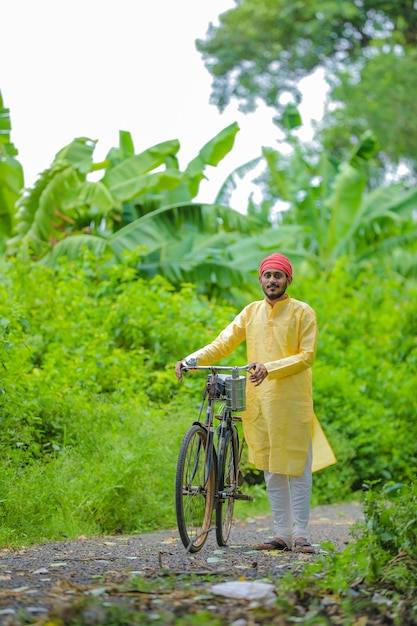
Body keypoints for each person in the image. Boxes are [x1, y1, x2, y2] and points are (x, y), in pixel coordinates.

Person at [175, 252, 336, 553]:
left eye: (278, 275)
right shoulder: (250, 313)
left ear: (289, 279)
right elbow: (223, 343)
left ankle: (300, 534)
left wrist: (269, 367)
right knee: (271, 468)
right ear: (260, 279)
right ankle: (282, 534)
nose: (272, 280)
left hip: (292, 401)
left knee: (297, 467)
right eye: (267, 275)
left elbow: (307, 356)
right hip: (260, 401)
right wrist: (191, 359)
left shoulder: (303, 313)